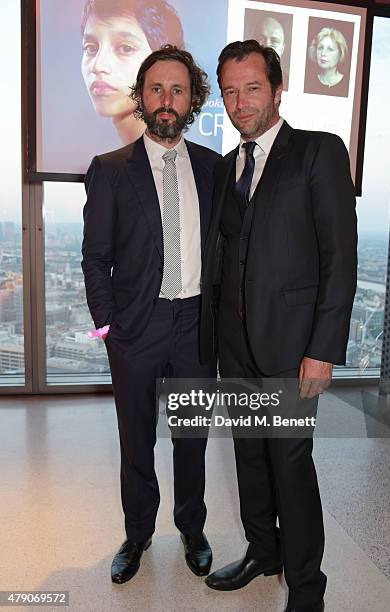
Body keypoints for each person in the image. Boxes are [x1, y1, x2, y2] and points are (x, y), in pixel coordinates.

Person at [200, 40, 357, 612]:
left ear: (277, 89)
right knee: (248, 455)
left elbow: (340, 258)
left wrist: (323, 349)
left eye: (252, 88)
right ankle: (262, 551)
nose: (240, 102)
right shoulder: (225, 167)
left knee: (290, 464)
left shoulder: (318, 153)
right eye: (230, 91)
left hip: (293, 349)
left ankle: (307, 587)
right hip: (235, 345)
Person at [81, 44, 220, 585]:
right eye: (157, 88)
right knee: (135, 438)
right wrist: (108, 325)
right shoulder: (110, 170)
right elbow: (96, 258)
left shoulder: (213, 168)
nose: (167, 100)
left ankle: (192, 527)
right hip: (135, 329)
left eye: (178, 90)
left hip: (194, 326)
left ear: (192, 100)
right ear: (141, 98)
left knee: (192, 437)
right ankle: (137, 533)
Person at [81, 0, 184, 144]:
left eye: (125, 48)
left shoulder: (200, 161)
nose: (98, 66)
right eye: (91, 48)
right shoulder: (104, 163)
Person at [248, 12, 290, 90]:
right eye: (261, 39)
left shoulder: (290, 84)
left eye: (274, 41)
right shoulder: (240, 78)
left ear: (282, 49)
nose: (267, 45)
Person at [306, 27, 349, 97]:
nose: (323, 53)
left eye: (330, 49)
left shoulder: (348, 84)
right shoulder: (308, 82)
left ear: (340, 53)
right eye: (320, 48)